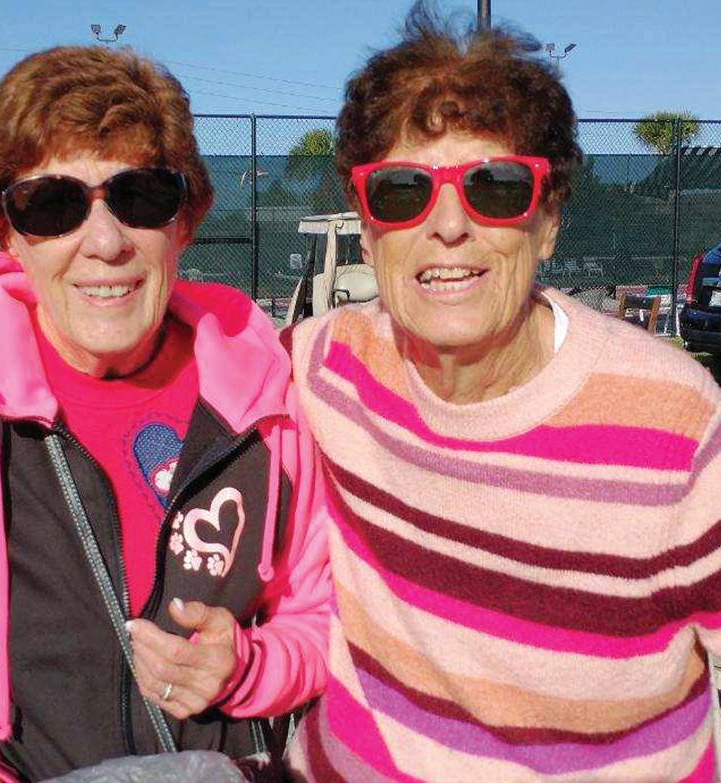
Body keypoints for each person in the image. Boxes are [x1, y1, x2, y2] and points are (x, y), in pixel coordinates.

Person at [0, 45, 330, 783]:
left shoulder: (269, 402)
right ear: (7, 232)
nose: (104, 243)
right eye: (52, 204)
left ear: (185, 221)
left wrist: (251, 667)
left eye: (141, 197)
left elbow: (321, 618)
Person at [281, 5, 721, 782]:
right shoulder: (323, 365)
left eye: (495, 187)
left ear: (547, 221)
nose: (448, 225)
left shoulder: (674, 426)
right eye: (401, 192)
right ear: (367, 229)